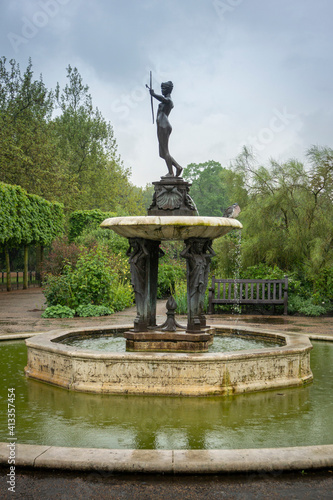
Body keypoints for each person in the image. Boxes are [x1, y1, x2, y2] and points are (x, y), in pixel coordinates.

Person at [149, 81, 183, 177]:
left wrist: (153, 94)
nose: (162, 90)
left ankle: (171, 173)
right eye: (161, 88)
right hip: (161, 125)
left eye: (163, 88)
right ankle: (177, 166)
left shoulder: (169, 100)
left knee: (165, 150)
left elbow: (163, 99)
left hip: (164, 125)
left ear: (168, 89)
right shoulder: (166, 100)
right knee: (162, 153)